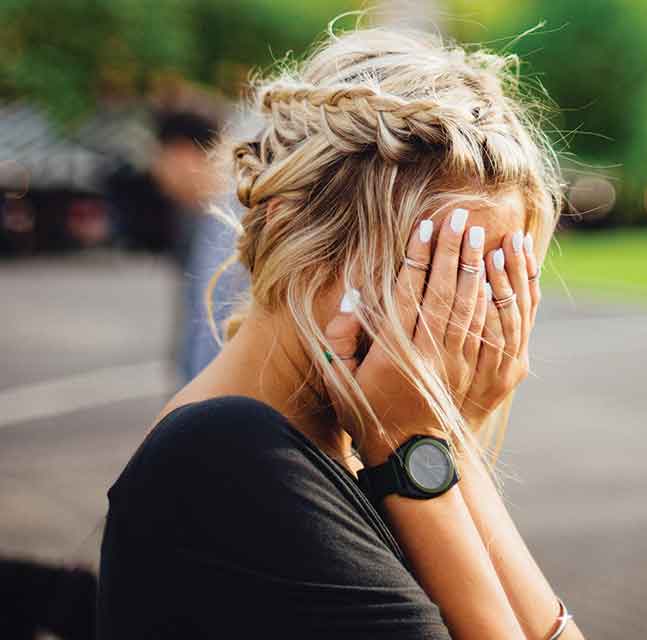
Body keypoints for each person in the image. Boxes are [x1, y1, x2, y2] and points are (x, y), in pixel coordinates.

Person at [98, 26, 583, 640]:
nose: (460, 322)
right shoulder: (225, 457)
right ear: (294, 227)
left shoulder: (361, 442)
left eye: (490, 281)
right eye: (430, 273)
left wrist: (443, 444)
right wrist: (416, 456)